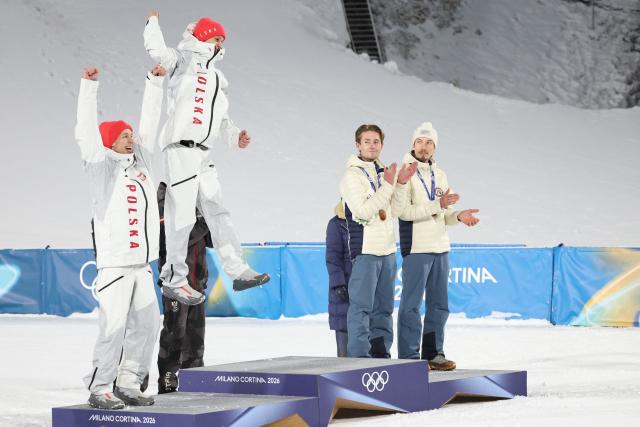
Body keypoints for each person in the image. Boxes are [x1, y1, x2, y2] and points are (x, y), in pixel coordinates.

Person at [143, 11, 269, 305]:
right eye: (215, 37)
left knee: (218, 211)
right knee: (182, 216)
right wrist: (153, 23)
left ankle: (238, 271)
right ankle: (173, 278)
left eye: (222, 39)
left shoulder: (216, 77)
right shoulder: (183, 60)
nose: (220, 43)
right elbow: (158, 52)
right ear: (202, 36)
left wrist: (234, 136)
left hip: (203, 153)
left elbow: (221, 118)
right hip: (180, 149)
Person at [76, 65, 165, 409]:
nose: (132, 137)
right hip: (114, 266)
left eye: (131, 134)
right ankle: (100, 387)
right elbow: (85, 132)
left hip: (142, 265)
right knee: (112, 330)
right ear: (109, 140)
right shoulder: (101, 169)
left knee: (147, 326)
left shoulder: (143, 165)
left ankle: (128, 382)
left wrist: (155, 83)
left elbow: (151, 126)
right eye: (125, 134)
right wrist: (88, 87)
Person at [397, 122, 479, 370]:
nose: (424, 147)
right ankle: (409, 358)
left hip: (441, 247)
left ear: (434, 147)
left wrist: (459, 216)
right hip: (417, 248)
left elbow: (446, 212)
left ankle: (433, 354)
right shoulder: (404, 173)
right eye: (420, 142)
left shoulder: (440, 174)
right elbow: (402, 212)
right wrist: (438, 205)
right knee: (411, 305)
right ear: (413, 144)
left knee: (439, 305)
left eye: (429, 143)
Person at [339, 124, 417, 358]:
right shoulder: (351, 176)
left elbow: (394, 209)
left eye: (376, 141)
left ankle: (381, 354)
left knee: (383, 309)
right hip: (365, 251)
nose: (372, 145)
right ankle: (359, 359)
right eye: (367, 141)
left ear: (382, 145)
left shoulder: (384, 171)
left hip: (387, 251)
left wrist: (400, 184)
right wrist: (387, 185)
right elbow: (362, 211)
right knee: (361, 308)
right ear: (357, 145)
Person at [156, 182, 212, 393]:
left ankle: (194, 374)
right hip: (175, 284)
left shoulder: (198, 199)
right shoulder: (165, 194)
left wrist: (211, 221)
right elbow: (168, 236)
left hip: (197, 282)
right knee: (174, 331)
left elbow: (210, 239)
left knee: (195, 334)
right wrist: (204, 223)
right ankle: (167, 376)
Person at [325, 201, 352, 357]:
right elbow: (333, 258)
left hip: (360, 284)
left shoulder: (364, 222)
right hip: (343, 287)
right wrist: (338, 285)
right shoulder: (336, 225)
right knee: (344, 331)